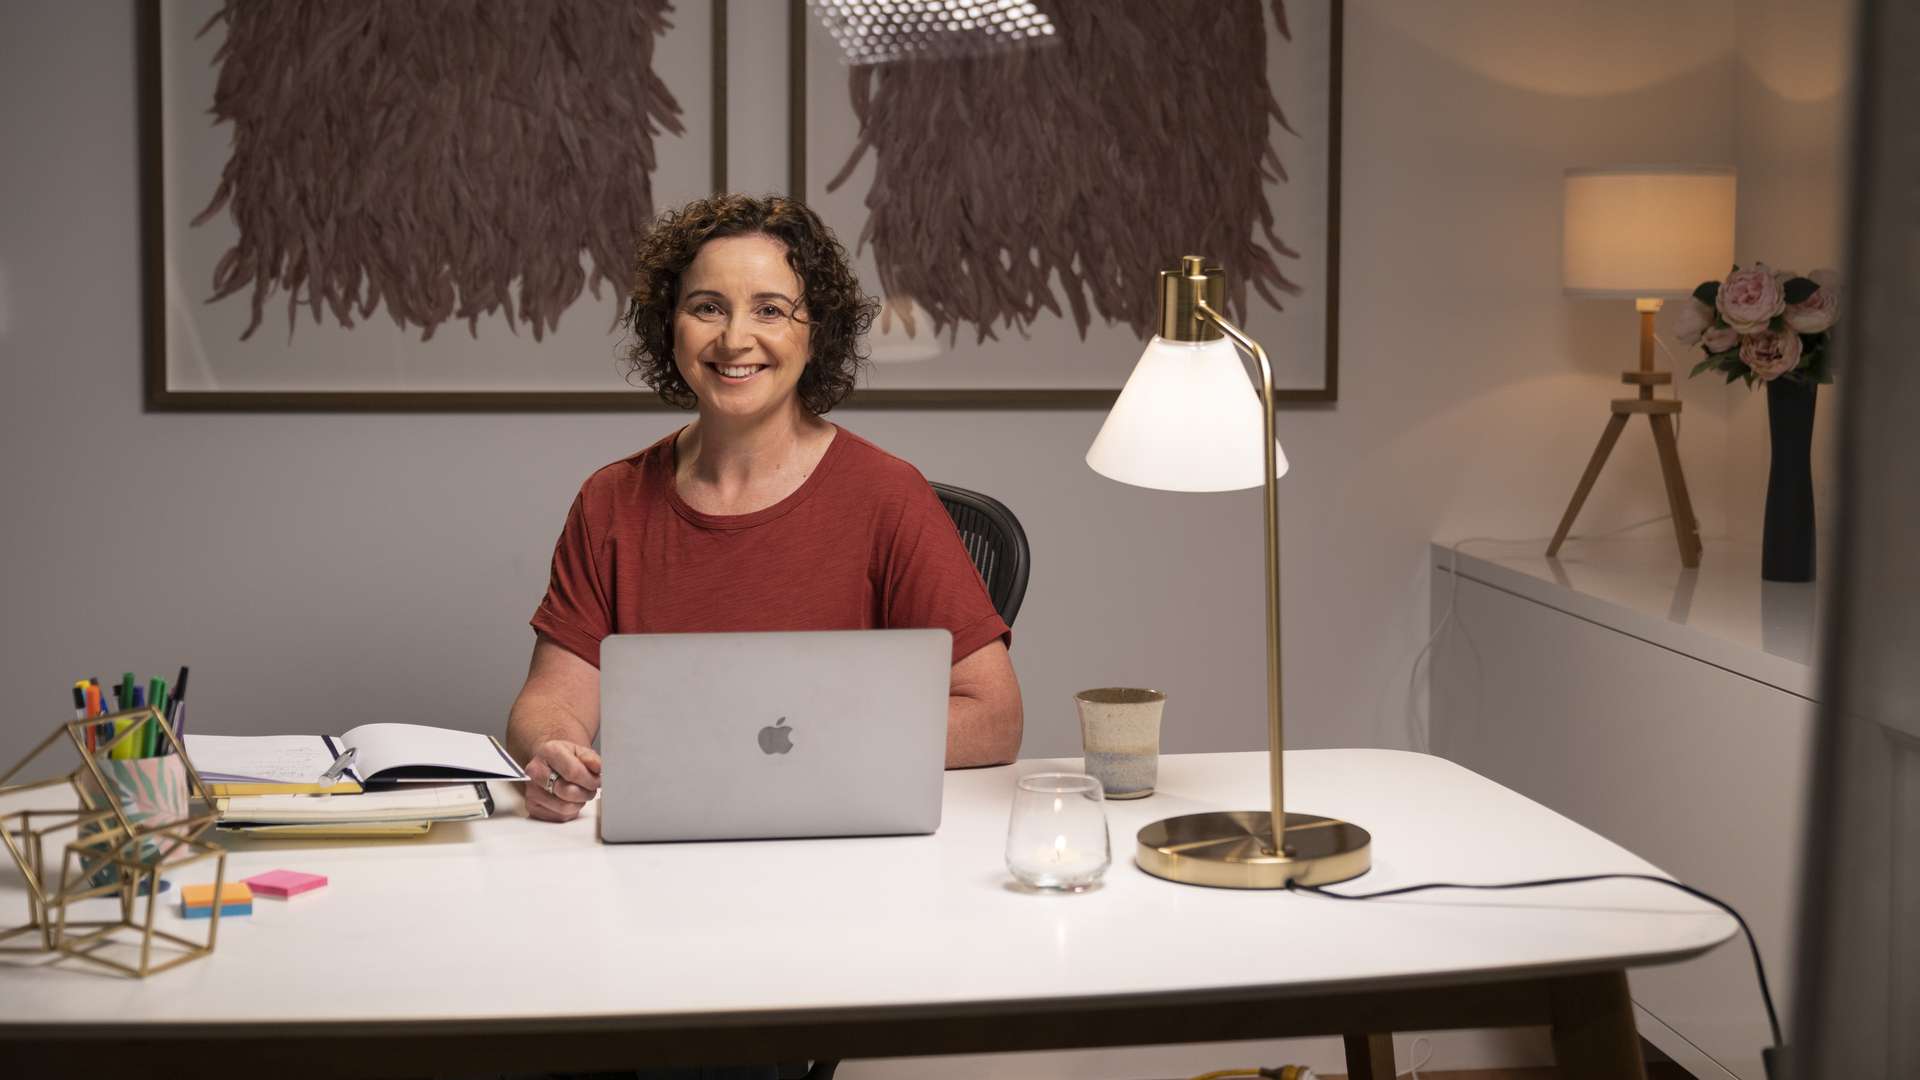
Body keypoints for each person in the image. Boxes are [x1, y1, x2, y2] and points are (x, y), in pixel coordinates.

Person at [506, 194, 1024, 823]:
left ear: (817, 334)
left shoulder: (889, 496)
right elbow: (549, 701)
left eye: (771, 310)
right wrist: (553, 750)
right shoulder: (609, 502)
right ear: (670, 326)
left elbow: (994, 717)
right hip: (670, 842)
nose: (734, 339)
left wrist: (801, 745)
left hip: (843, 839)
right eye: (706, 308)